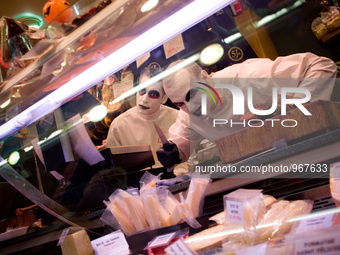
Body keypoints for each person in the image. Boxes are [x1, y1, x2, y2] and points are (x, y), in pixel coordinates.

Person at [156, 52, 337, 168]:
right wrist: (173, 154)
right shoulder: (187, 115)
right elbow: (181, 143)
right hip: (259, 171)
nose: (190, 107)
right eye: (179, 103)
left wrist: (288, 107)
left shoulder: (251, 76)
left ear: (206, 78)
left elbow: (320, 65)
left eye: (192, 94)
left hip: (311, 153)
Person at [106, 67, 189, 176]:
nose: (144, 99)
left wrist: (175, 174)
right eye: (142, 91)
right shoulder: (119, 125)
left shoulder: (178, 117)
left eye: (153, 94)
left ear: (164, 98)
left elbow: (193, 156)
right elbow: (111, 169)